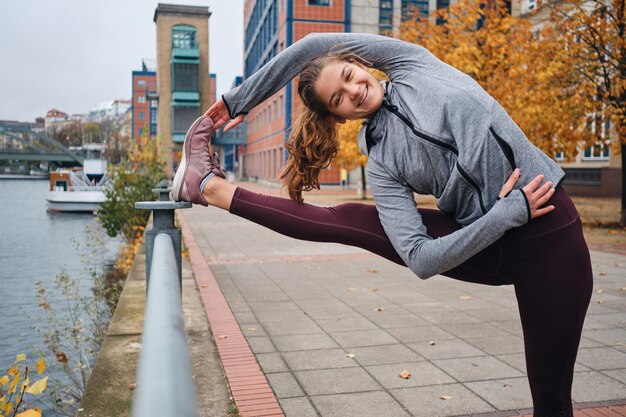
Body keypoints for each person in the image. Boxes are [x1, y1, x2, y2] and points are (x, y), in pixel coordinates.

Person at [172, 33, 593, 417]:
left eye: (351, 76)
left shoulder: (413, 63)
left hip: (548, 236)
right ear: (337, 117)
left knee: (551, 398)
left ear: (361, 63)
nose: (354, 91)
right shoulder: (382, 162)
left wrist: (238, 100)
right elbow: (420, 258)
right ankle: (209, 188)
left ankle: (207, 184)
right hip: (489, 236)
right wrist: (504, 215)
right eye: (338, 99)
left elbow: (311, 44)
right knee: (353, 218)